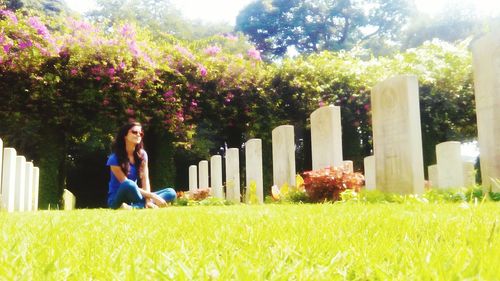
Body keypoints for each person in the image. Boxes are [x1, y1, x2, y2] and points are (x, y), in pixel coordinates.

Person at [106, 122, 176, 209]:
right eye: (134, 132)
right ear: (125, 136)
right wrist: (153, 196)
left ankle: (134, 207)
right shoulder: (114, 159)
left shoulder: (142, 155)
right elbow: (125, 184)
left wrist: (148, 200)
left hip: (136, 196)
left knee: (171, 192)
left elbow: (145, 179)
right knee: (129, 184)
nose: (138, 135)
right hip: (118, 199)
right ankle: (136, 205)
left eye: (141, 133)